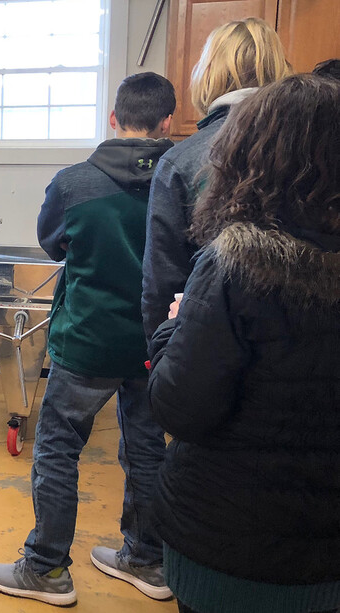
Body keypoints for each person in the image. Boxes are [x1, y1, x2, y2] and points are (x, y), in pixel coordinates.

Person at [0, 72, 177, 606]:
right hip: (155, 344)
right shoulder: (185, 176)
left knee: (59, 449)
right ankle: (146, 560)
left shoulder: (74, 183)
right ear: (167, 123)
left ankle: (45, 569)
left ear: (113, 118)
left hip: (88, 340)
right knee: (145, 449)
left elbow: (52, 244)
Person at [148, 74, 340, 613]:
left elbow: (179, 409)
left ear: (250, 153)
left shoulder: (234, 264)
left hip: (230, 543)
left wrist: (173, 326)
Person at [141, 17, 290, 337]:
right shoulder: (313, 148)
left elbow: (163, 284)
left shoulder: (180, 162)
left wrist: (160, 358)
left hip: (211, 347)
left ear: (209, 73)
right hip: (306, 351)